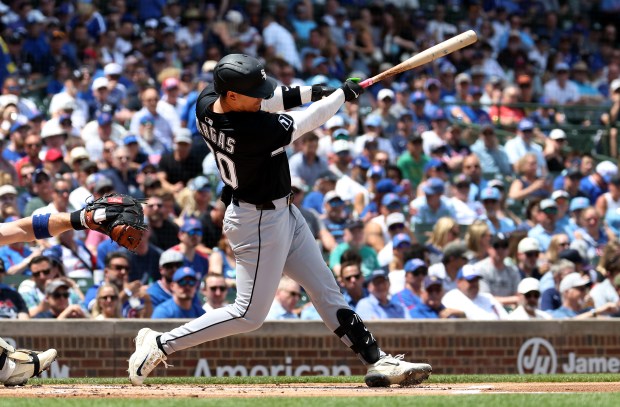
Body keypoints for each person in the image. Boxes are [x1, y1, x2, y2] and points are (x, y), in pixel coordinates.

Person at [128, 54, 431, 388]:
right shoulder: (253, 131)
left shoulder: (207, 102)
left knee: (326, 289)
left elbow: (272, 98)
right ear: (231, 95)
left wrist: (315, 90)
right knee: (248, 314)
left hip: (281, 211)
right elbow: (309, 120)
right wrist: (340, 96)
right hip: (256, 221)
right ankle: (159, 344)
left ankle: (377, 360)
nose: (260, 96)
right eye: (252, 92)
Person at [441, 265, 509, 320]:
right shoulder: (451, 297)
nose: (474, 284)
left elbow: (507, 320)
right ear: (458, 282)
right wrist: (464, 316)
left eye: (476, 280)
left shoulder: (488, 297)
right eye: (470, 280)